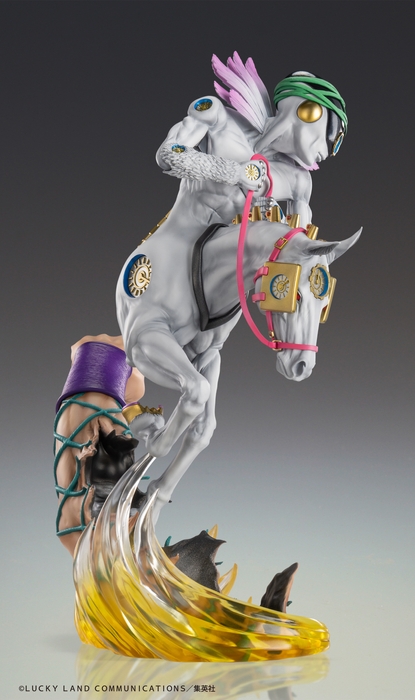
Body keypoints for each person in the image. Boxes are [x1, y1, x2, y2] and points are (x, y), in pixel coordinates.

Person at [53, 334, 145, 556]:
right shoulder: (140, 352)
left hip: (69, 416)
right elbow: (134, 396)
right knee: (90, 524)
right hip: (101, 419)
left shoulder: (80, 345)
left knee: (73, 522)